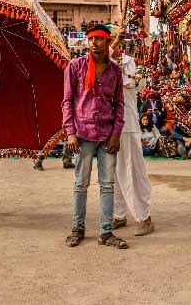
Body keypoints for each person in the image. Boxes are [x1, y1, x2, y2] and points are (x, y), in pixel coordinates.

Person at [62, 23, 127, 249]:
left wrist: (116, 134)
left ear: (107, 42)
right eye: (91, 39)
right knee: (81, 184)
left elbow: (119, 105)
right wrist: (70, 132)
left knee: (107, 185)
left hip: (107, 135)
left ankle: (106, 232)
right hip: (83, 135)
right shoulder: (74, 67)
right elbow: (67, 102)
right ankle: (77, 229)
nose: (94, 43)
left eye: (99, 39)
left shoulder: (115, 71)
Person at [110, 27, 154, 236]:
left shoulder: (129, 62)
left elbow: (138, 85)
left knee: (132, 172)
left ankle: (144, 216)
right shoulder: (100, 62)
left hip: (127, 125)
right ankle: (119, 214)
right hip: (108, 127)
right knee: (112, 174)